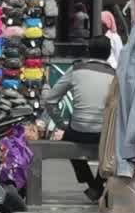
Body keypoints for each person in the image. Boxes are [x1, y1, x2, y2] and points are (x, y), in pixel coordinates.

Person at [44, 35, 115, 202]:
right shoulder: (115, 75)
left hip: (78, 132)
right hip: (103, 135)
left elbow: (50, 100)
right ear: (109, 53)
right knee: (114, 143)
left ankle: (91, 183)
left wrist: (61, 124)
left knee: (68, 138)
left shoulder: (76, 70)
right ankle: (97, 184)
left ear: (88, 51)